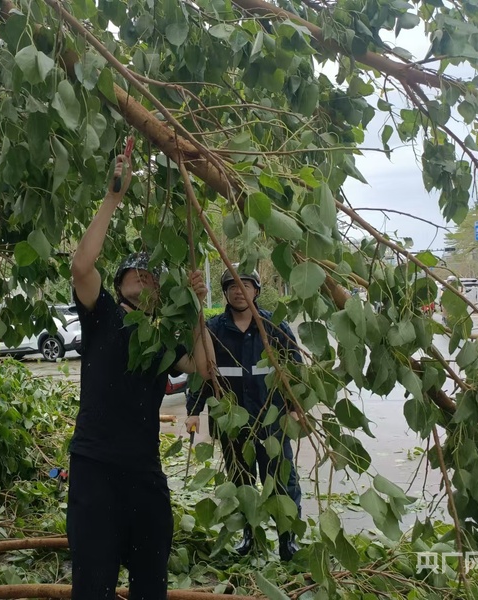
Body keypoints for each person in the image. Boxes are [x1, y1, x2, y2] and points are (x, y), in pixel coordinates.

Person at [67, 153, 213, 599]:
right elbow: (80, 266)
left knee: (151, 584)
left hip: (145, 474)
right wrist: (113, 198)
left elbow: (204, 369)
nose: (145, 276)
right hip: (94, 470)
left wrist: (194, 308)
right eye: (136, 270)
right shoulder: (103, 315)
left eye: (152, 275)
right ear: (120, 280)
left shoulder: (163, 339)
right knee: (93, 585)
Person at [185, 268, 303, 561]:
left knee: (281, 481)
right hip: (232, 426)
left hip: (271, 424)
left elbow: (295, 371)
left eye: (245, 285)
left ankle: (288, 540)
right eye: (232, 286)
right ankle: (249, 536)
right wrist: (194, 411)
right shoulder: (212, 329)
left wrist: (295, 407)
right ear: (225, 293)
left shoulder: (274, 328)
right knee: (241, 482)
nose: (239, 291)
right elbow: (203, 376)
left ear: (256, 291)